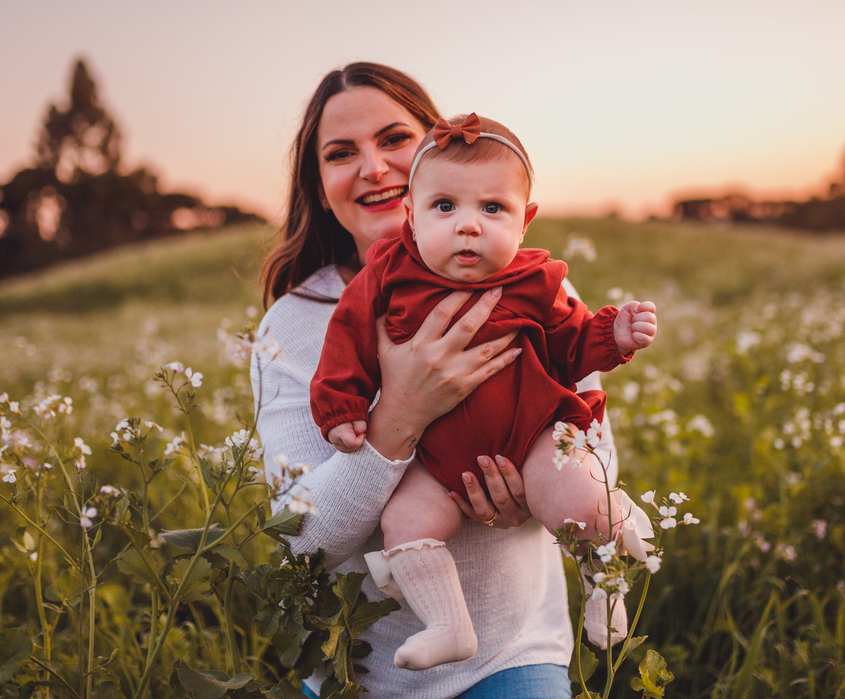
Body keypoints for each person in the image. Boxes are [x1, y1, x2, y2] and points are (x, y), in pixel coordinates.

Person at [254, 63, 618, 699]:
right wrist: (399, 414)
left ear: (438, 147)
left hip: (514, 654)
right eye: (342, 153)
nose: (373, 168)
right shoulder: (295, 324)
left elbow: (596, 458)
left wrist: (524, 501)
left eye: (394, 139)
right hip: (358, 673)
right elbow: (301, 539)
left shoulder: (533, 284)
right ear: (320, 184)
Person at [310, 112, 657, 671]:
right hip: (432, 456)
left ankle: (603, 583)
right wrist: (342, 408)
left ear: (525, 222)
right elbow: (345, 343)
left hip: (531, 436)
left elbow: (572, 349)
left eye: (492, 208)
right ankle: (448, 625)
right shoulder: (384, 277)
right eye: (444, 207)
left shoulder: (535, 281)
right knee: (405, 523)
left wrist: (610, 335)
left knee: (575, 495)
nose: (467, 226)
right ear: (412, 217)